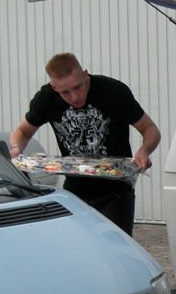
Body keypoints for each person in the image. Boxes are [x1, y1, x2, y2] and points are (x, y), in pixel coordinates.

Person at [9, 53, 160, 235]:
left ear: (85, 74)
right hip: (75, 188)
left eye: (78, 87)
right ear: (54, 87)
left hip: (115, 190)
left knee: (114, 246)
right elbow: (23, 131)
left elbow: (149, 128)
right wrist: (15, 149)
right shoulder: (46, 98)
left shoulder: (113, 91)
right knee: (76, 244)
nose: (74, 97)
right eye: (65, 92)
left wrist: (144, 151)